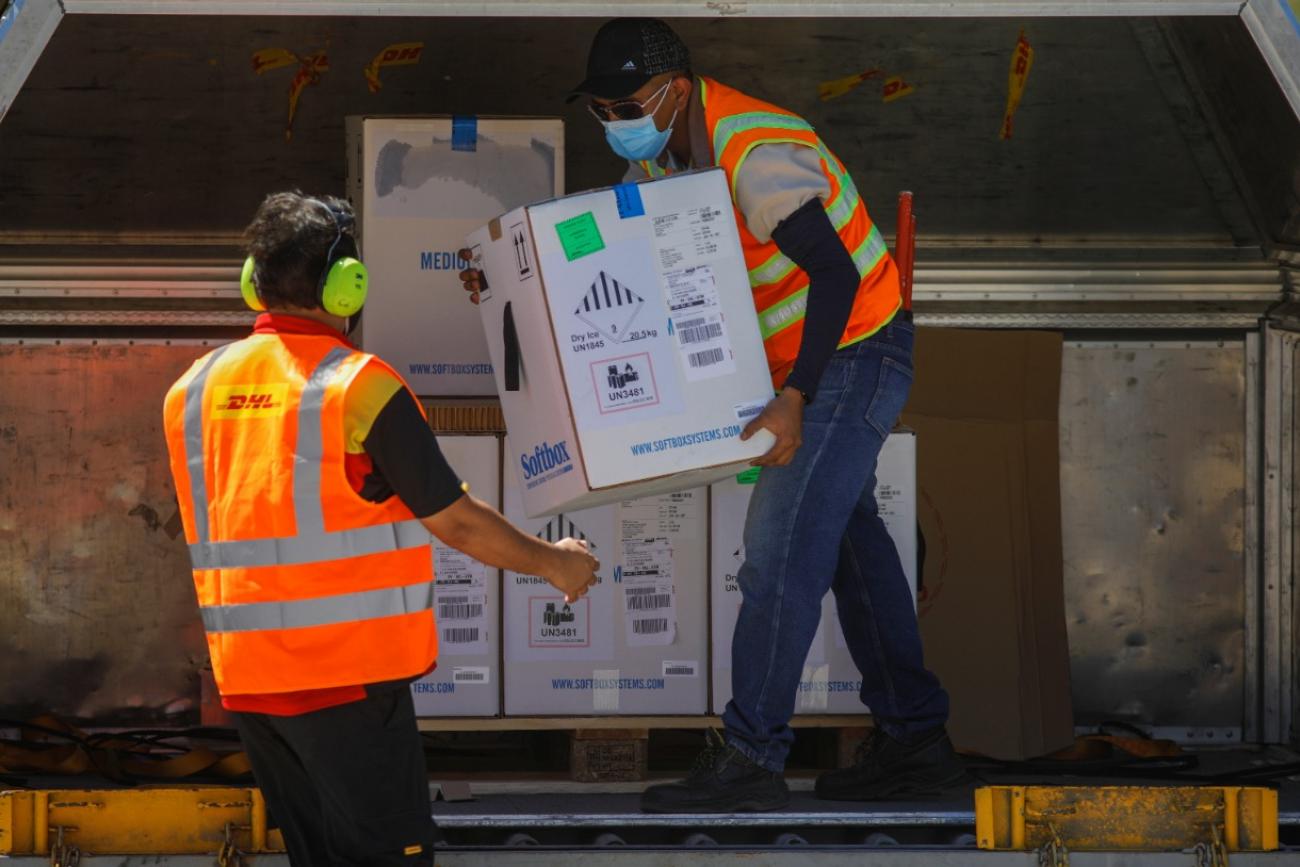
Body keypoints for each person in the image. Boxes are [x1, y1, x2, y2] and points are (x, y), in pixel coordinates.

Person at [461, 18, 964, 813]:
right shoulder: (668, 157)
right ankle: (916, 742)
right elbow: (612, 265)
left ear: (678, 90)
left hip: (855, 352)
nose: (615, 120)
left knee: (777, 556)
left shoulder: (754, 152)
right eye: (601, 107)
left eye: (626, 103)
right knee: (850, 555)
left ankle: (751, 754)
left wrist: (795, 395)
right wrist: (501, 284)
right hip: (818, 362)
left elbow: (832, 274)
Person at [163, 191, 599, 864]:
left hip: (251, 684)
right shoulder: (358, 387)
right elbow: (454, 519)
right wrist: (557, 562)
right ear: (347, 285)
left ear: (255, 281)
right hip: (346, 681)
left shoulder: (192, 389)